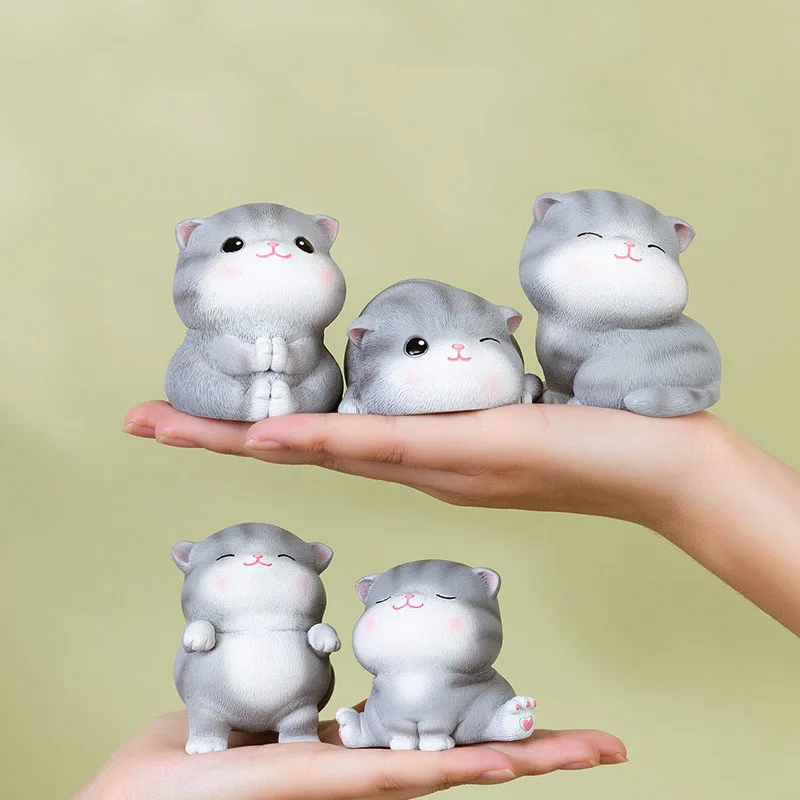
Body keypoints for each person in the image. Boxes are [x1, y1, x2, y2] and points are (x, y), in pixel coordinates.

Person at [82, 400, 798, 798]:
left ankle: (483, 720)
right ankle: (353, 727)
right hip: (310, 705)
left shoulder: (458, 661)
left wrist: (685, 474)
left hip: (441, 701)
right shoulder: (221, 624)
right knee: (378, 717)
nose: (260, 565)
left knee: (476, 707)